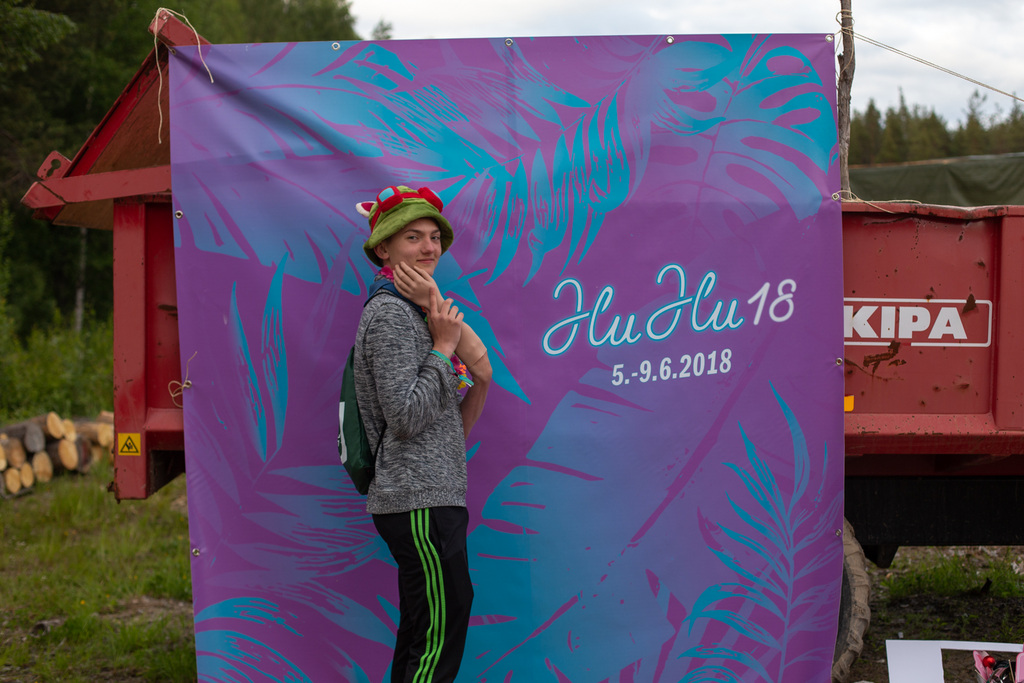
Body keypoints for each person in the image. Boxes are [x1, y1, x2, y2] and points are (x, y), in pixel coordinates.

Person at [352, 185, 491, 683]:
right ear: (383, 249)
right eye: (413, 237)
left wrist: (441, 329)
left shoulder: (415, 309)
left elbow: (471, 384)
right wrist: (444, 346)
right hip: (416, 500)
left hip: (432, 495)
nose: (429, 247)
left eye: (434, 236)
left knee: (424, 629)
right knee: (437, 630)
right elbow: (407, 417)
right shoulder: (390, 315)